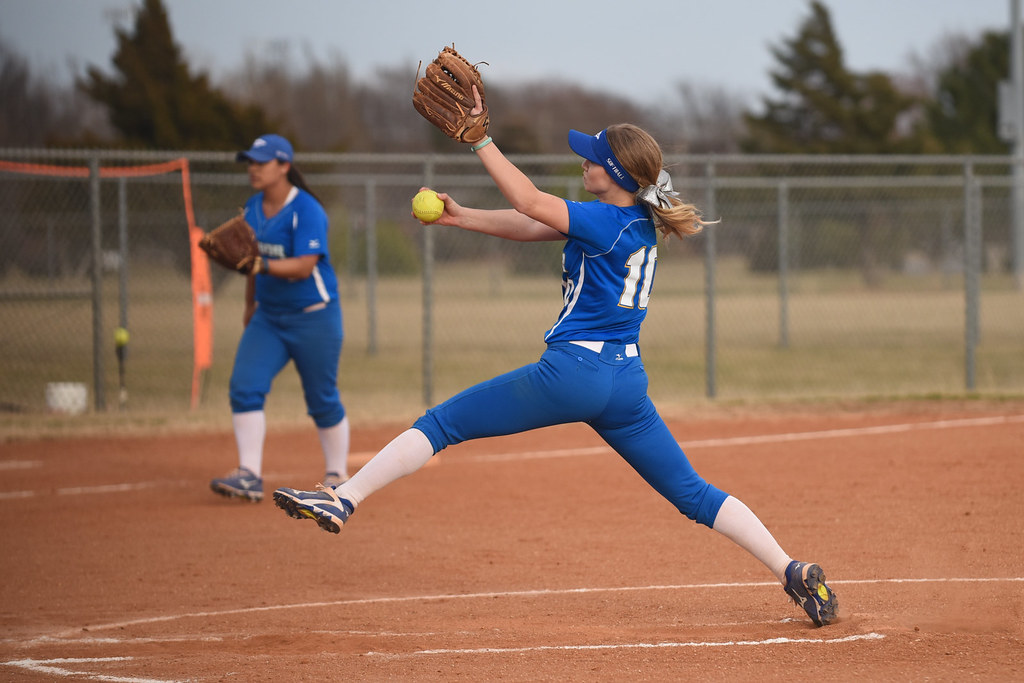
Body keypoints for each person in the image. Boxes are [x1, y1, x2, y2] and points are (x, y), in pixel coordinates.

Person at [273, 97, 838, 626]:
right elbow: (532, 223)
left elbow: (529, 201)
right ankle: (791, 570)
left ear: (616, 174)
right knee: (692, 492)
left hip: (574, 374)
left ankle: (343, 499)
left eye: (593, 159)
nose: (584, 162)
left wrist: (481, 141)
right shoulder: (632, 219)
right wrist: (462, 217)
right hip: (625, 382)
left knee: (442, 424)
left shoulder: (604, 220)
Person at [210, 134, 350, 503]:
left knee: (321, 398)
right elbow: (248, 264)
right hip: (268, 318)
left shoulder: (307, 210)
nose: (253, 169)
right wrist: (249, 305)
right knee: (244, 387)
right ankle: (249, 474)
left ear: (284, 166)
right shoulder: (252, 208)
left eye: (261, 162)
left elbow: (303, 267)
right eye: (250, 162)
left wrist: (260, 265)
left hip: (314, 318)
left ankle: (337, 474)